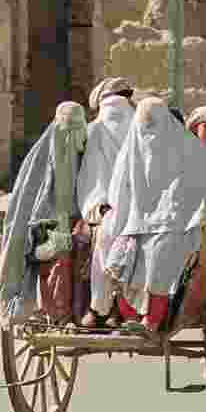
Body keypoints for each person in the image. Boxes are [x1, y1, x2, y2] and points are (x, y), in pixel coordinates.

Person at [101, 97, 206, 335]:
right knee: (122, 263)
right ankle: (130, 319)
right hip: (137, 222)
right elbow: (119, 189)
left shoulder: (187, 147)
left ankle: (152, 322)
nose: (149, 131)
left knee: (161, 260)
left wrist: (191, 215)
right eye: (145, 124)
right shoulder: (132, 148)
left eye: (153, 124)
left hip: (174, 222)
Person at [0, 101, 88, 324]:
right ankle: (31, 305)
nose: (70, 132)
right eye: (67, 125)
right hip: (45, 227)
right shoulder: (40, 156)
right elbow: (26, 199)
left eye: (76, 126)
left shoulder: (88, 150)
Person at [77, 77, 136, 328]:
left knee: (105, 241)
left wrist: (97, 206)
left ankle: (103, 308)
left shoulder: (94, 130)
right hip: (122, 210)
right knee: (110, 239)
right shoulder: (142, 126)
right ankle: (114, 308)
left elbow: (91, 176)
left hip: (118, 209)